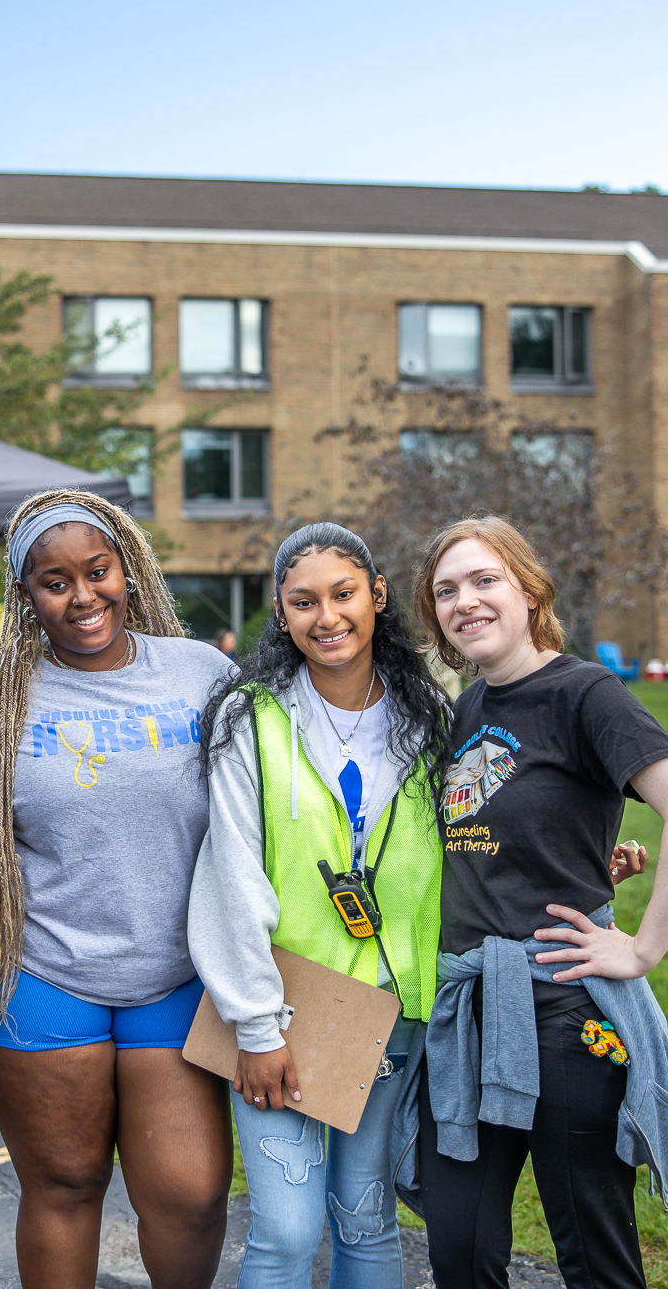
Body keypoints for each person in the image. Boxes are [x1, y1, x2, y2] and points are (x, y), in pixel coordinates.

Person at [402, 517, 668, 1289]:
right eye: (446, 590)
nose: (465, 601)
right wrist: (586, 859)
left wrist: (641, 948)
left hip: (561, 1006)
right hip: (470, 1009)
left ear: (528, 588)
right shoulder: (471, 703)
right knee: (460, 1246)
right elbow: (484, 832)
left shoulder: (584, 692)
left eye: (485, 580)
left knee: (591, 1247)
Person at [0, 489, 237, 1289]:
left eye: (97, 571)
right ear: (26, 593)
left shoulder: (203, 673)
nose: (82, 597)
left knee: (191, 1194)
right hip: (34, 969)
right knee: (66, 1184)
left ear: (128, 568)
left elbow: (279, 791)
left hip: (172, 971)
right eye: (55, 581)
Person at [188, 523, 448, 1288]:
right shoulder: (249, 717)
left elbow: (476, 840)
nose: (326, 616)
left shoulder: (427, 714)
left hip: (392, 1010)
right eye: (304, 601)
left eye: (343, 594)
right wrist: (256, 1024)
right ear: (281, 610)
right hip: (284, 1010)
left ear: (378, 596)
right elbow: (231, 873)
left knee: (369, 1221)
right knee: (286, 1231)